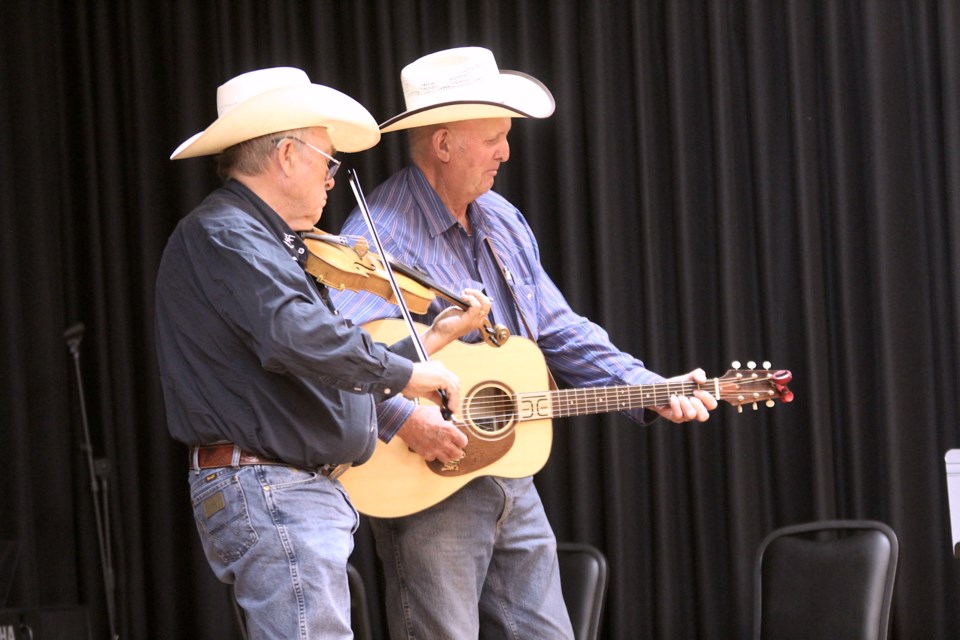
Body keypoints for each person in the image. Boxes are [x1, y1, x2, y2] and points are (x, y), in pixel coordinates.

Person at [330, 47, 720, 639]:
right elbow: (349, 360)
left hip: (511, 473)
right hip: (427, 483)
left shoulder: (502, 219)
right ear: (443, 144)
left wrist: (646, 385)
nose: (506, 152)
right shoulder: (376, 237)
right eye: (493, 138)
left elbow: (559, 328)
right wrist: (409, 422)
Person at [154, 66, 491, 639]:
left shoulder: (263, 240)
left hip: (282, 487)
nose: (334, 179)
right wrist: (408, 373)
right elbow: (300, 339)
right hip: (270, 486)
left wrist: (432, 339)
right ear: (287, 155)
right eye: (327, 160)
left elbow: (317, 366)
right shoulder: (229, 235)